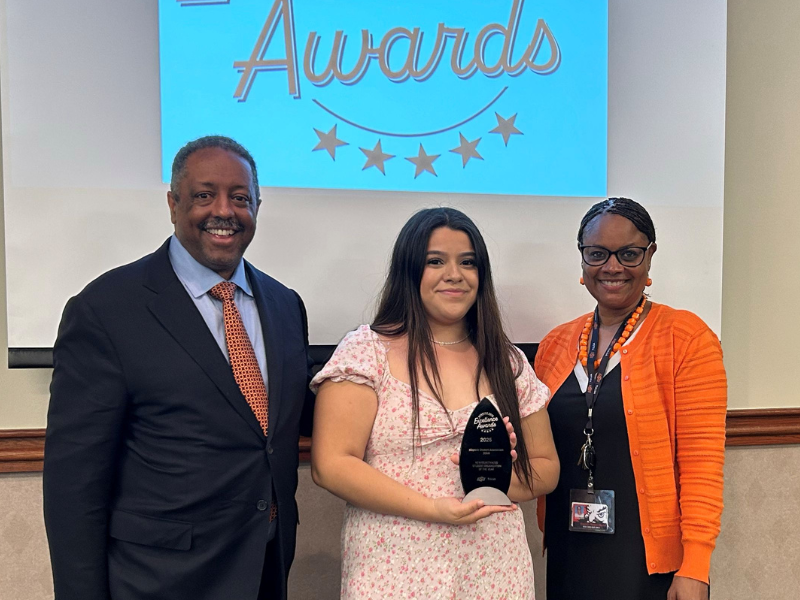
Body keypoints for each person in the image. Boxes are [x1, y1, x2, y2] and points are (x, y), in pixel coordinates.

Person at [43, 136, 314, 600]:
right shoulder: (106, 309)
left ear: (257, 207)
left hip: (264, 570)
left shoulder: (286, 305)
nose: (224, 211)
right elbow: (74, 488)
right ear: (173, 204)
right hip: (157, 581)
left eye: (240, 198)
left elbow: (283, 426)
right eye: (204, 195)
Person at [310, 207, 560, 599]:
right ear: (409, 270)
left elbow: (546, 469)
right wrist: (432, 509)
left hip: (496, 569)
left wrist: (493, 477)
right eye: (435, 261)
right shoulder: (366, 352)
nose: (454, 274)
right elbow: (331, 465)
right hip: (394, 570)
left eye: (468, 262)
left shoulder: (507, 360)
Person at [534, 198, 727, 600]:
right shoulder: (555, 345)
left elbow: (702, 465)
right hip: (571, 548)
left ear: (650, 255)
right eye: (598, 253)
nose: (613, 267)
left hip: (646, 562)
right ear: (582, 258)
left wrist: (695, 567)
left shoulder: (686, 339)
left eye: (629, 253)